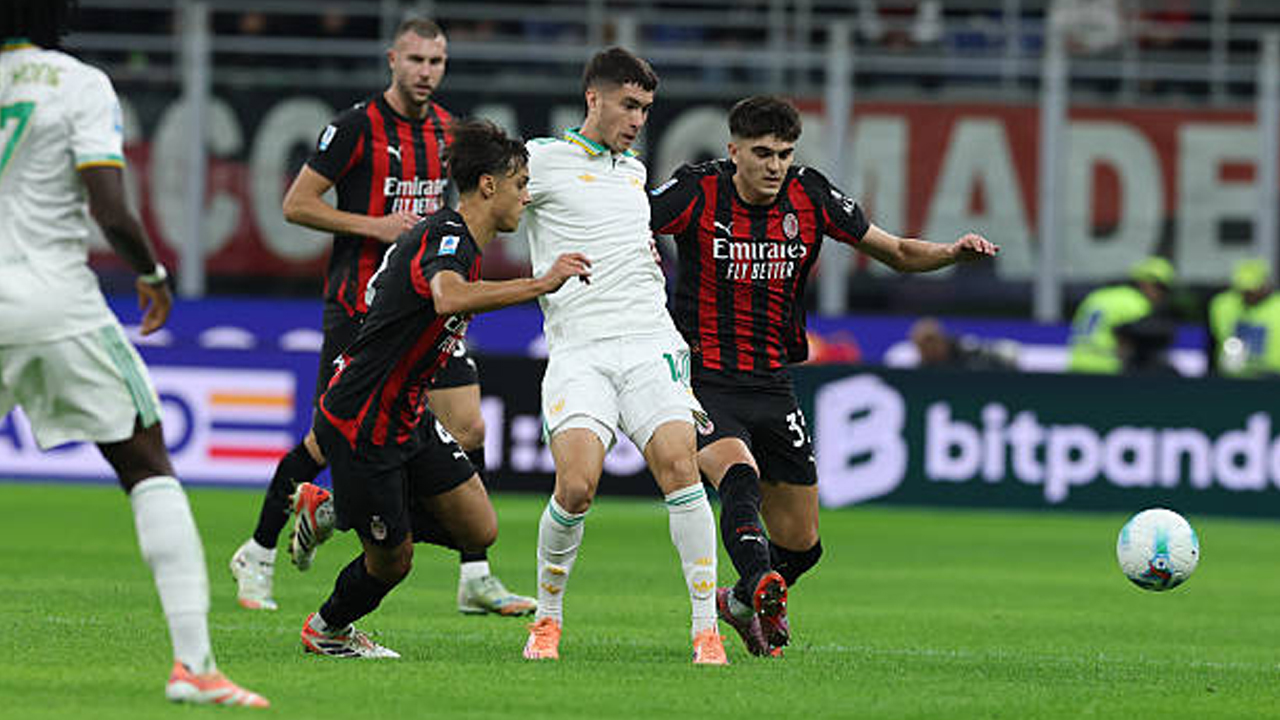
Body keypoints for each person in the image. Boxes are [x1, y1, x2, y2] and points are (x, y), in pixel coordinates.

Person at [649, 95, 998, 656]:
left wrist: (952, 254)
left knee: (803, 545)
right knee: (738, 476)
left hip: (774, 384)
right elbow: (623, 225)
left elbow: (898, 251)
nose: (774, 166)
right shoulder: (697, 191)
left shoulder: (810, 195)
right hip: (704, 380)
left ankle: (739, 601)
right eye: (762, 153)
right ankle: (760, 584)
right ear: (733, 151)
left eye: (784, 153)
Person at [0, 1, 266, 707]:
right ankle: (195, 667)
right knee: (147, 461)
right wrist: (151, 273)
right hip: (55, 303)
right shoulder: (77, 83)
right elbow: (110, 207)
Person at [228, 17, 535, 618]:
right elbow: (296, 204)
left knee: (469, 429)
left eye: (436, 62)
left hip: (426, 305)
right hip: (361, 309)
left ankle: (474, 574)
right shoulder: (354, 128)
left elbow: (464, 216)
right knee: (326, 439)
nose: (426, 72)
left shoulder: (450, 133)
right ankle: (258, 553)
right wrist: (375, 226)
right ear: (393, 60)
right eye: (416, 60)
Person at [299, 119, 589, 658]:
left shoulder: (462, 241)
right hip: (363, 419)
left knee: (479, 528)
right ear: (488, 186)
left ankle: (337, 511)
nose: (527, 197)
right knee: (393, 562)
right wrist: (540, 283)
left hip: (407, 414)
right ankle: (328, 628)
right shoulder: (447, 237)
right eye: (521, 184)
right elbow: (448, 297)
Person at [520, 47, 727, 665]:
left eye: (645, 109)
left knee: (680, 467)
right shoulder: (540, 161)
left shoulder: (634, 173)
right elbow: (488, 210)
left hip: (649, 343)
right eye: (629, 105)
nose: (638, 119)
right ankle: (547, 618)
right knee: (577, 485)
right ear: (594, 99)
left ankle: (706, 630)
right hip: (580, 349)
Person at [1067, 256, 1174, 374]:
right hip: (1106, 369)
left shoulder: (1096, 296)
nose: (1163, 295)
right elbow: (1129, 344)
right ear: (1144, 283)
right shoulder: (1137, 303)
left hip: (1075, 367)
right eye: (1161, 288)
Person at [1208, 258, 1280, 378]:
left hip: (1273, 377)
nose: (1247, 295)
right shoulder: (1222, 304)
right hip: (1232, 376)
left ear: (1266, 285)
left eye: (1253, 290)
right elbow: (1221, 335)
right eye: (1243, 290)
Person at [909, 317, 1017, 371]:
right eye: (921, 345)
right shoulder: (920, 368)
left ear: (941, 339)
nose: (929, 348)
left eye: (932, 341)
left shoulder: (968, 351)